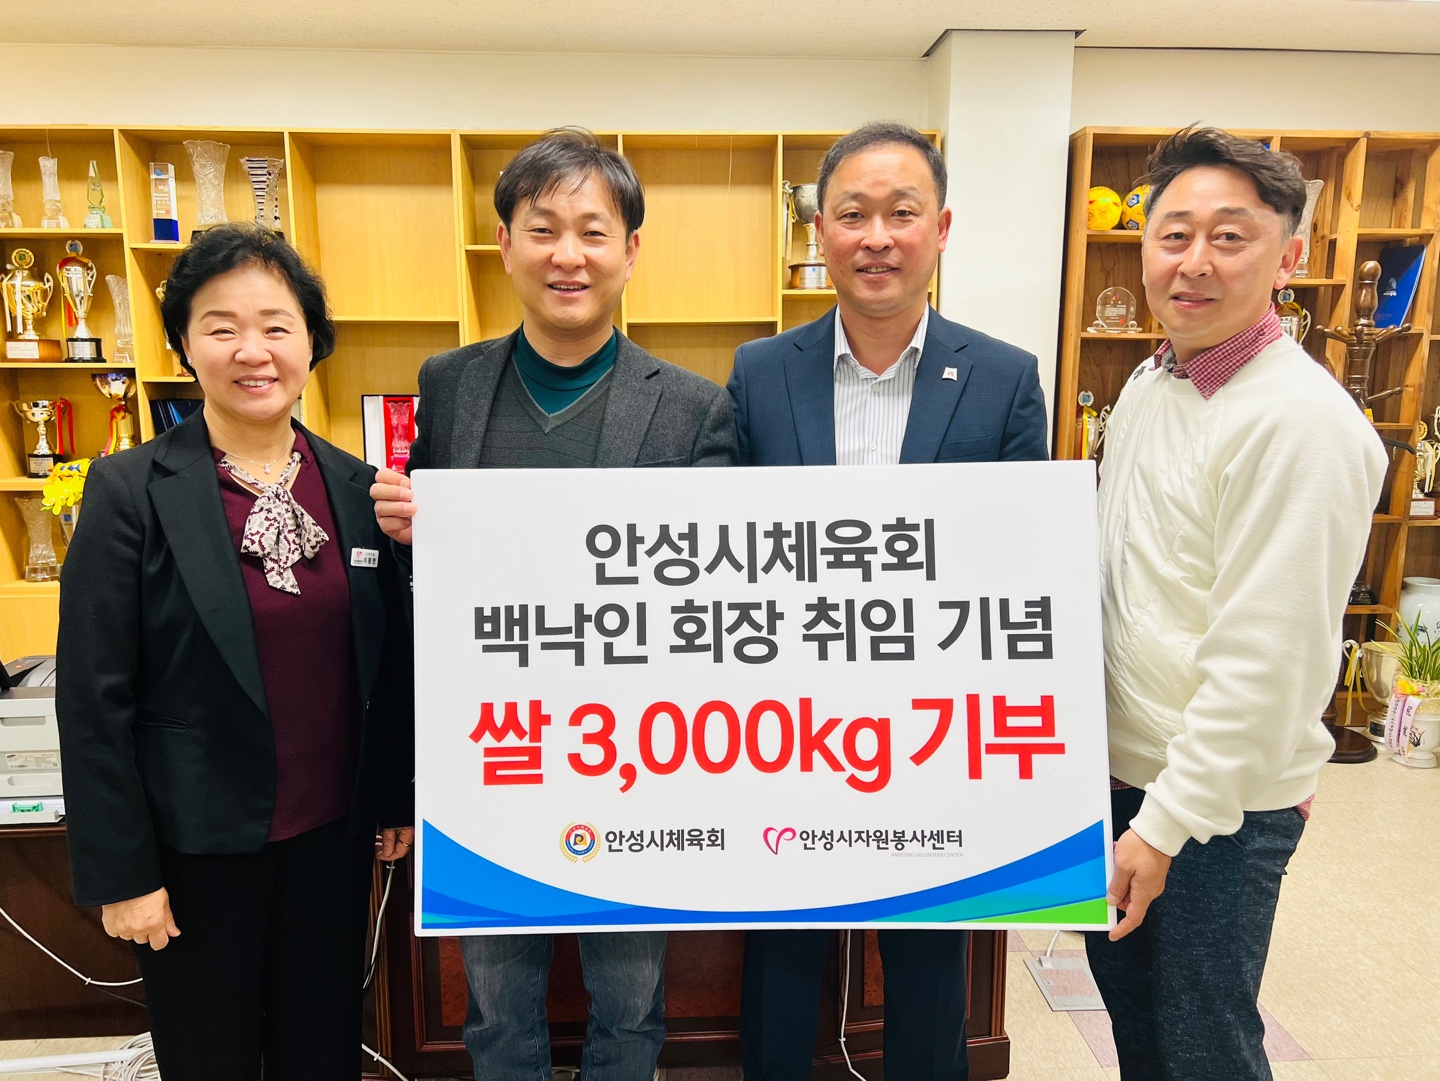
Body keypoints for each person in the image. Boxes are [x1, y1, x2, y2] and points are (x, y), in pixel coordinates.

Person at [369, 128, 736, 1081]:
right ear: (504, 244)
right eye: (543, 229)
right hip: (492, 751)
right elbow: (436, 569)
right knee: (495, 1002)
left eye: (592, 231)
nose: (567, 255)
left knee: (630, 997)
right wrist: (404, 527)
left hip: (637, 754)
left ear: (630, 250)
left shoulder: (694, 405)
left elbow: (721, 590)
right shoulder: (450, 384)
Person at [55, 224, 415, 1081]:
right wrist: (123, 873)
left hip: (331, 842)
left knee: (323, 1053)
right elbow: (93, 696)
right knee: (209, 1059)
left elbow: (386, 662)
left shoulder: (360, 490)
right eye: (221, 327)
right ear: (185, 344)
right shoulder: (130, 491)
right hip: (193, 853)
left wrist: (394, 795)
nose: (253, 351)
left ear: (312, 343)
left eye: (276, 326)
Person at [728, 122, 1048, 1081]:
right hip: (787, 727)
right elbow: (718, 542)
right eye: (853, 214)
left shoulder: (1005, 377)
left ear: (940, 228)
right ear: (819, 231)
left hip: (935, 730)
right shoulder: (759, 372)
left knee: (928, 967)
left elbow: (1023, 557)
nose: (877, 237)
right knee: (781, 958)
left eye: (902, 213)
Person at [1086, 127, 1386, 1081]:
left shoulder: (1301, 423)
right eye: (1174, 234)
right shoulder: (1154, 381)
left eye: (1229, 236)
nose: (1195, 262)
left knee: (1204, 1045)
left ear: (1288, 257)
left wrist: (1164, 823)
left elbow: (1268, 659)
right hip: (1125, 778)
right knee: (1142, 1033)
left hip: (1213, 810)